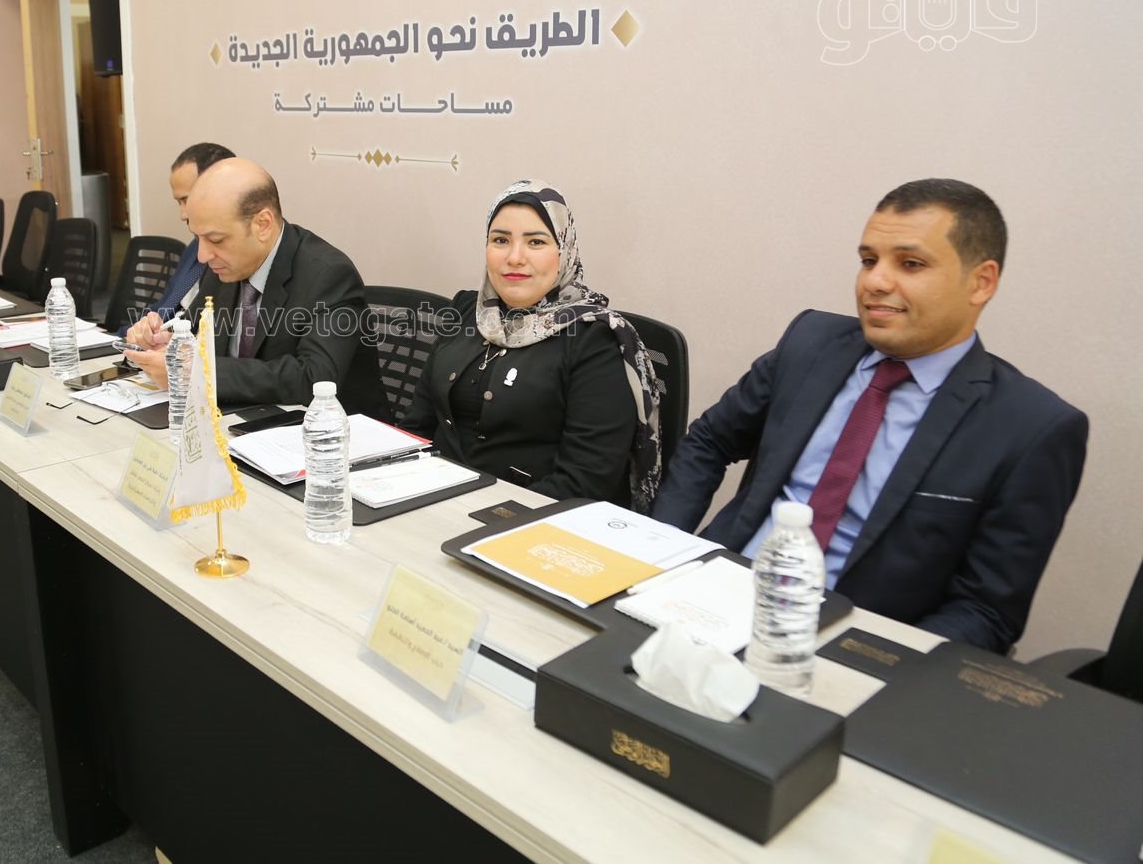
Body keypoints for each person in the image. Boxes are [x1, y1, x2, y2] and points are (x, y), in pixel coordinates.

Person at [652, 179, 1088, 653]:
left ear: (981, 282)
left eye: (911, 264)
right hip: (712, 593)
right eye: (868, 260)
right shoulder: (810, 343)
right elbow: (710, 441)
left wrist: (872, 661)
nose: (875, 282)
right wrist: (662, 551)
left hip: (853, 645)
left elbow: (986, 613)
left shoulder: (1031, 428)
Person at [399, 180, 663, 507]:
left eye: (536, 242)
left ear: (564, 251)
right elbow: (417, 427)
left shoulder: (595, 340)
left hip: (528, 519)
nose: (514, 257)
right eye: (500, 240)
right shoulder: (468, 311)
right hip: (433, 500)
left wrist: (482, 516)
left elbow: (584, 482)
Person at [125, 158, 387, 417]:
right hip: (244, 420)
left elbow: (313, 378)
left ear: (263, 225)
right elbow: (195, 336)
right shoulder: (222, 265)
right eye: (197, 238)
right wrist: (165, 343)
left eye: (216, 239)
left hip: (330, 432)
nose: (203, 255)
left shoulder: (329, 275)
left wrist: (200, 372)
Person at [150, 142, 236, 319]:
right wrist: (139, 328)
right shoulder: (194, 247)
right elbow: (164, 308)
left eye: (187, 200)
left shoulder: (238, 259)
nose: (183, 214)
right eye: (179, 202)